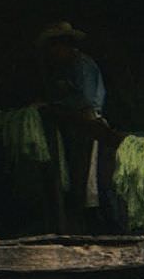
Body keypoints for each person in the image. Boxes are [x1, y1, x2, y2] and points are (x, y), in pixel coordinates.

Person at [35, 21, 118, 231]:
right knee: (79, 184)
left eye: (56, 47)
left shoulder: (83, 65)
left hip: (91, 127)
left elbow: (87, 100)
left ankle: (109, 228)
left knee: (95, 184)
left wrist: (57, 106)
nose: (53, 52)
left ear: (65, 45)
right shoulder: (63, 69)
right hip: (76, 130)